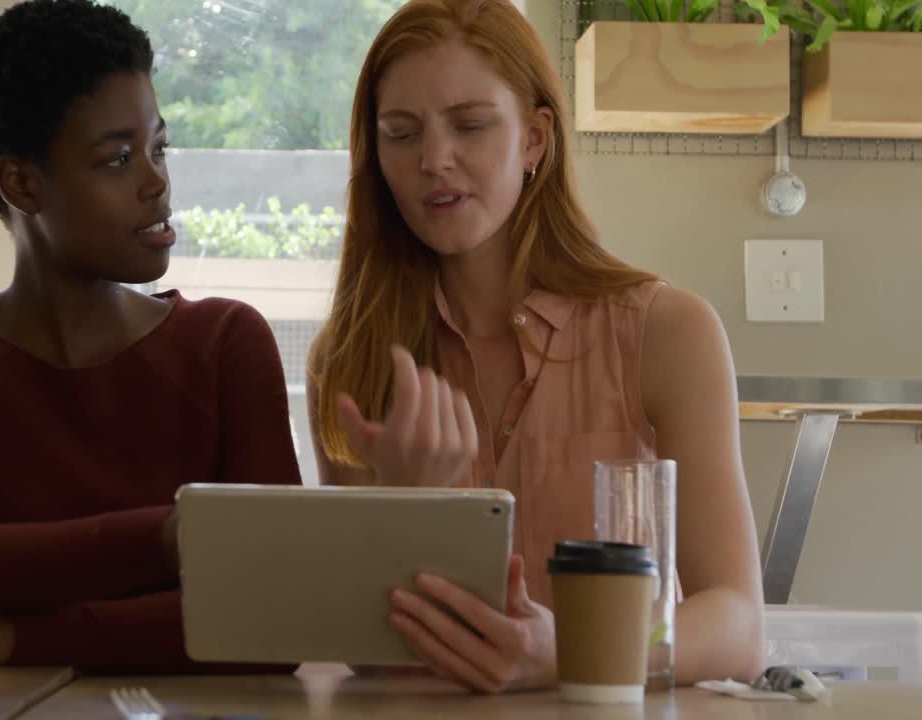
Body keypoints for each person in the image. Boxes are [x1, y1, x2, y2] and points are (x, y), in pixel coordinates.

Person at [306, 0, 765, 693]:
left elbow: (738, 626)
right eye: (401, 134)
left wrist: (576, 649)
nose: (434, 160)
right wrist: (406, 502)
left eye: (471, 125)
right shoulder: (351, 358)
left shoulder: (670, 333)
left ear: (535, 140)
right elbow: (368, 656)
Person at [0, 0, 300, 672]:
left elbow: (278, 615)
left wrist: (4, 641)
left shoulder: (227, 344)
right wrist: (168, 540)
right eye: (118, 159)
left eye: (158, 148)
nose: (157, 182)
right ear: (22, 183)